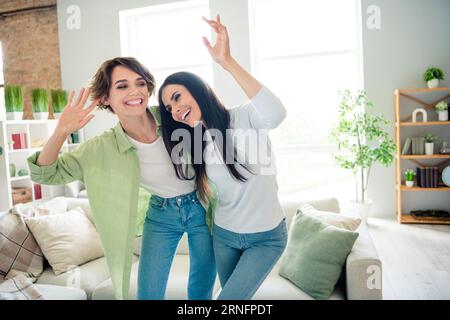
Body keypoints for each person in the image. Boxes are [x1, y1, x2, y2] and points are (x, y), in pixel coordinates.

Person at [27, 57, 216, 300]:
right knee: (148, 293)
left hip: (202, 205)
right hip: (162, 215)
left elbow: (217, 127)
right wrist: (61, 130)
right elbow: (44, 172)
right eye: (122, 86)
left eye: (140, 83)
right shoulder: (102, 147)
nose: (135, 91)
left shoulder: (173, 117)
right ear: (106, 98)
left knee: (202, 289)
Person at [158, 15, 287, 300]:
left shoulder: (244, 117)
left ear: (198, 89)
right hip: (225, 236)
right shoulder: (195, 143)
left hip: (266, 238)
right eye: (169, 108)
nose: (175, 109)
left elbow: (276, 113)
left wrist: (226, 61)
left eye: (177, 97)